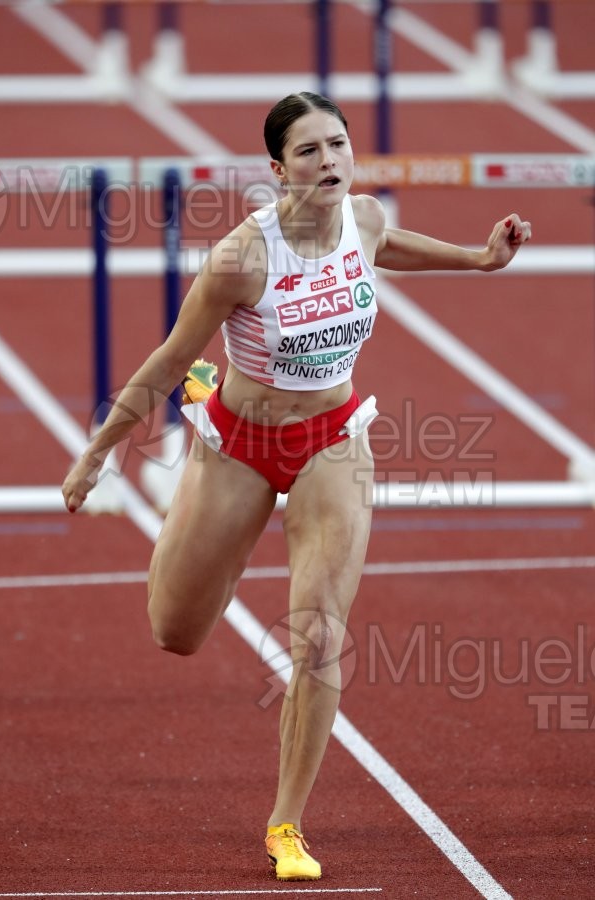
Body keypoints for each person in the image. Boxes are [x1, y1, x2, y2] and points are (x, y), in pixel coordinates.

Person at [62, 91, 531, 882]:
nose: (330, 162)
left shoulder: (364, 219)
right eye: (310, 151)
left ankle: (287, 825)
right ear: (278, 170)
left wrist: (480, 258)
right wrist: (96, 453)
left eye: (339, 145)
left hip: (333, 442)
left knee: (317, 635)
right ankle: (224, 546)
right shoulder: (242, 259)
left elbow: (391, 244)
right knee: (175, 630)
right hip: (239, 445)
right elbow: (171, 360)